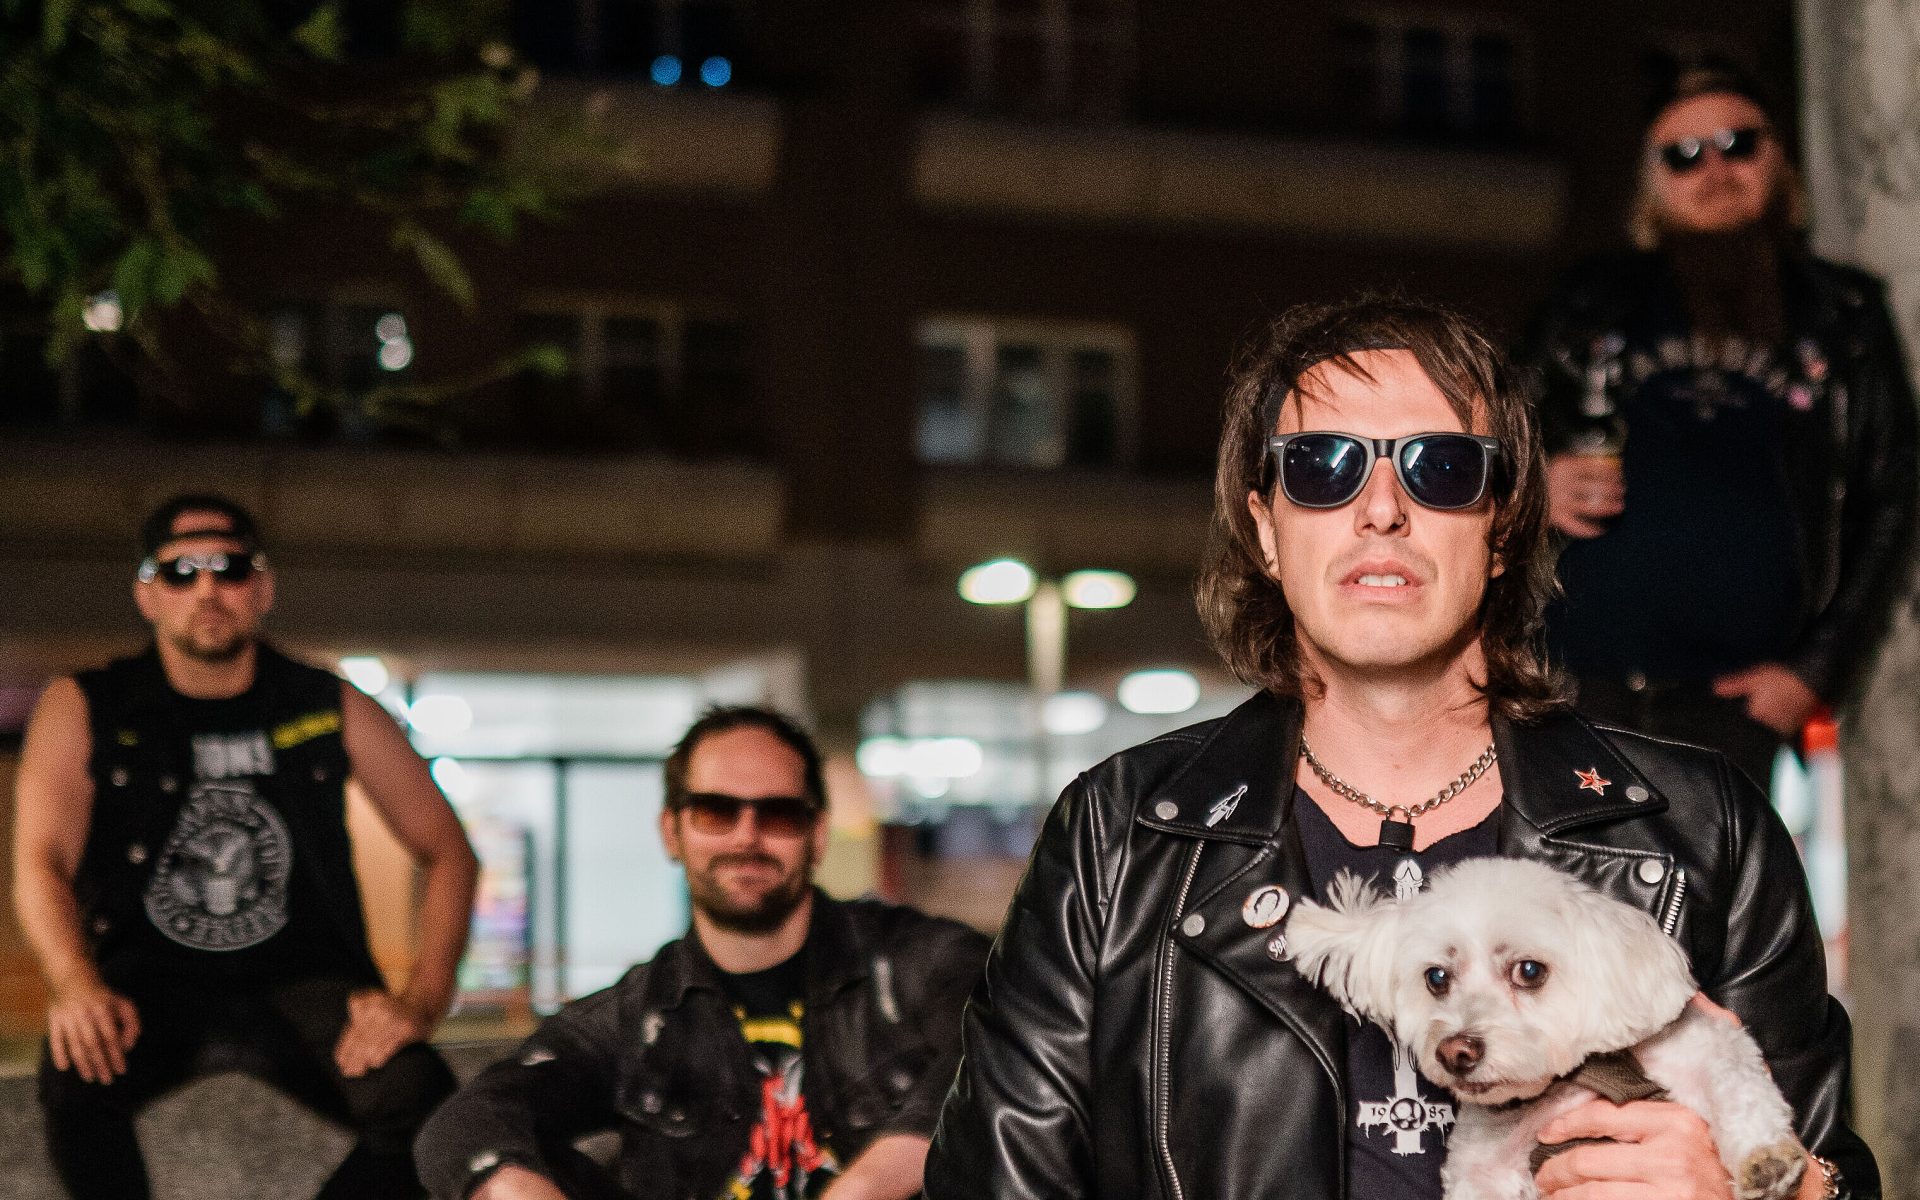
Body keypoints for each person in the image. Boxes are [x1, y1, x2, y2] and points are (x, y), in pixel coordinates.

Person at [924, 297, 1875, 1199]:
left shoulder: (1701, 830)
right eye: (1323, 466)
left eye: (1441, 468)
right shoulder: (1120, 834)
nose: (1381, 508)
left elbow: (1830, 1165)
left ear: (1502, 528)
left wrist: (1763, 1192)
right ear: (1265, 527)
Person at [13, 493, 479, 1200]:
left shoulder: (328, 704)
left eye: (229, 568)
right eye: (181, 572)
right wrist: (76, 984)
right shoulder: (87, 705)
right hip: (147, 983)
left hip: (305, 982)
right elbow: (40, 861)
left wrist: (419, 1002)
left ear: (261, 588)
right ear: (147, 595)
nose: (207, 589)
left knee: (429, 1106)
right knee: (75, 1078)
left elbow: (448, 849)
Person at [1523, 57, 1917, 789]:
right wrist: (1531, 483)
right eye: (1683, 154)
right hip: (1573, 689)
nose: (1714, 168)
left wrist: (1813, 672)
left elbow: (1891, 499)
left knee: (1717, 872)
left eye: (1739, 144)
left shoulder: (1843, 314)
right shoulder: (1590, 298)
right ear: (1651, 182)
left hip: (1737, 707)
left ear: (1780, 161)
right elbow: (1483, 433)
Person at [415, 705, 991, 1200]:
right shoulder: (636, 1017)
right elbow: (467, 1124)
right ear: (672, 832)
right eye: (717, 811)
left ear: (816, 835)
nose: (746, 836)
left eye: (778, 814)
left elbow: (1000, 1057)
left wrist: (864, 1188)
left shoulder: (918, 961)